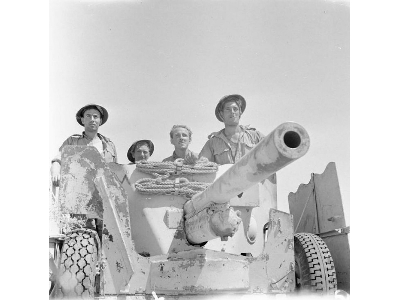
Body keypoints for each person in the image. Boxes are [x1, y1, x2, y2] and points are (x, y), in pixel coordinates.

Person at [50, 104, 117, 186]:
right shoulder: (72, 141)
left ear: (100, 121)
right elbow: (57, 160)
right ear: (82, 120)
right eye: (88, 116)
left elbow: (115, 170)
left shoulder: (109, 145)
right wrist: (55, 172)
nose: (92, 119)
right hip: (78, 188)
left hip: (104, 190)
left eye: (95, 116)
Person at [199, 94, 264, 165]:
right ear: (221, 114)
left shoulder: (255, 136)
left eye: (235, 109)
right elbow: (201, 166)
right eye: (228, 109)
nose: (232, 112)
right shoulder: (212, 143)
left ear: (240, 112)